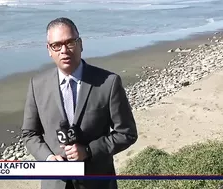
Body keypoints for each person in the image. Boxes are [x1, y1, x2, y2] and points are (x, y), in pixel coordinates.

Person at [21, 17, 138, 189]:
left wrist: (89, 151)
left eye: (70, 43)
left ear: (80, 44)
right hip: (55, 184)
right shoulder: (37, 85)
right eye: (57, 45)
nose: (64, 50)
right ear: (49, 50)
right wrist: (48, 158)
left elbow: (127, 133)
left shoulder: (108, 83)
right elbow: (29, 134)